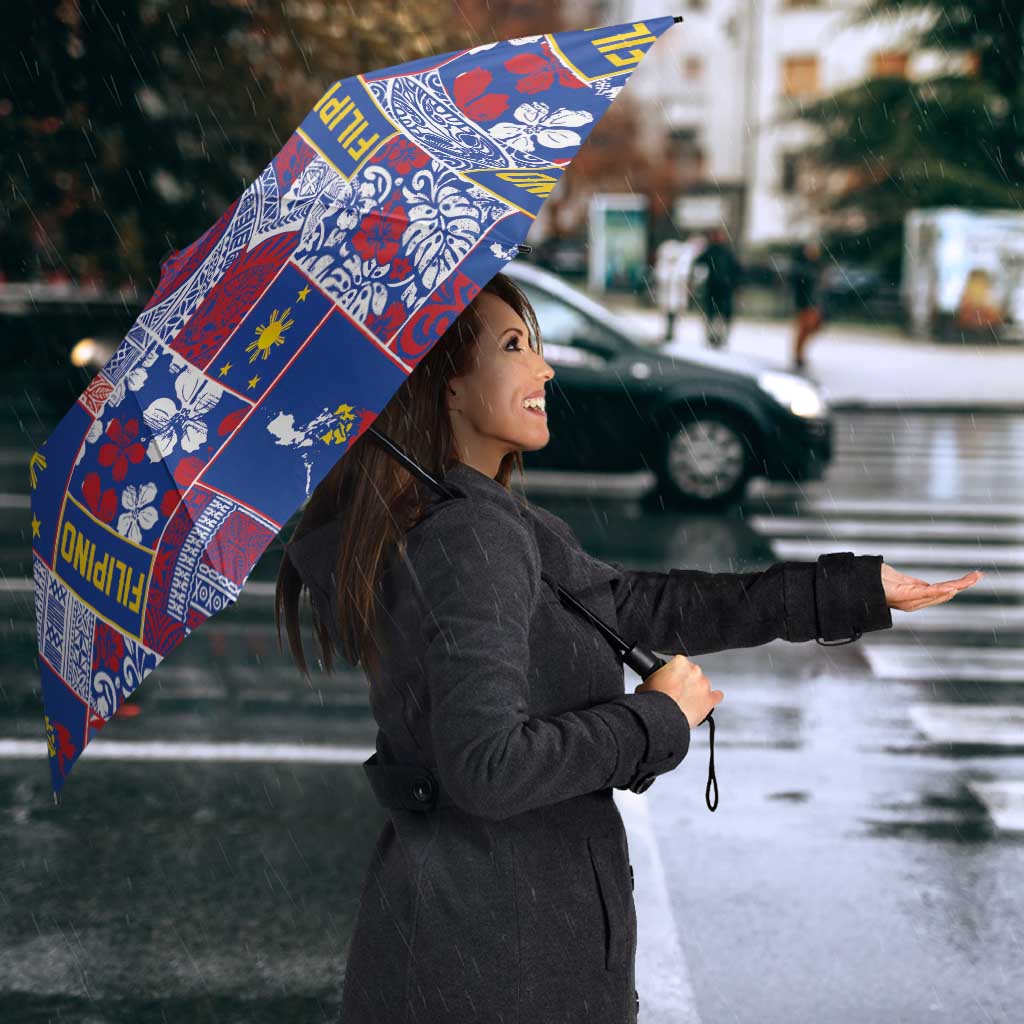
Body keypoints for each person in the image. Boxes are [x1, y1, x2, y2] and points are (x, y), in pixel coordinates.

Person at [276, 271, 982, 1024]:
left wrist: (849, 590)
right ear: (447, 387)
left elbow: (642, 606)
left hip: (477, 943)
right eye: (514, 346)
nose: (544, 368)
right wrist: (655, 719)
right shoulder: (469, 536)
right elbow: (487, 767)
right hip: (497, 962)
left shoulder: (478, 519)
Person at [692, 226, 742, 349]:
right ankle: (713, 337)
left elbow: (736, 270)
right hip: (715, 288)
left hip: (723, 288)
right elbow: (698, 264)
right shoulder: (712, 251)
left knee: (720, 315)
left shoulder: (725, 252)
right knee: (713, 314)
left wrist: (735, 284)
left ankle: (719, 337)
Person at [790, 239, 826, 370]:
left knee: (812, 328)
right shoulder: (802, 267)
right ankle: (798, 355)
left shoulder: (817, 266)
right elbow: (799, 286)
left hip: (814, 303)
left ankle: (799, 354)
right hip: (805, 303)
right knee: (804, 329)